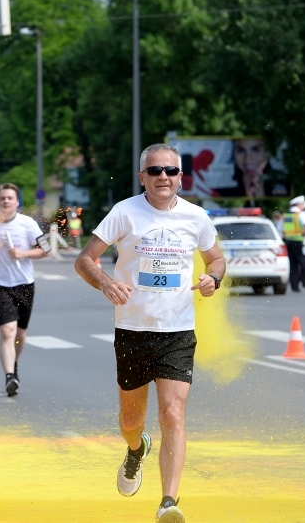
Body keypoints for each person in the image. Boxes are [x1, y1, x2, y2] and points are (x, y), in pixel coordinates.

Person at [75, 143, 225, 523]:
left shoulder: (196, 217)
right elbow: (84, 259)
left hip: (177, 331)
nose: (163, 177)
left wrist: (213, 279)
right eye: (155, 171)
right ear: (142, 177)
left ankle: (168, 502)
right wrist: (106, 284)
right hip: (132, 330)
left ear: (180, 177)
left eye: (171, 171)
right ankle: (135, 449)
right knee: (131, 421)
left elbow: (217, 259)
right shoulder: (124, 212)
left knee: (173, 413)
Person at [0, 184, 45, 397]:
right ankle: (9, 376)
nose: (6, 201)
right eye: (2, 198)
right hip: (0, 284)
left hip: (24, 284)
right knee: (7, 331)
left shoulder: (27, 224)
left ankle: (14, 362)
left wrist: (23, 253)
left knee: (20, 333)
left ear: (17, 201)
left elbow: (46, 249)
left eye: (10, 198)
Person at [215, 136, 290, 198]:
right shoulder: (223, 187)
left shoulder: (283, 182)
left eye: (256, 149)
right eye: (241, 150)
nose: (248, 159)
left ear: (267, 152)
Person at [283, 195, 305, 293]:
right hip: (299, 242)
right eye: (302, 204)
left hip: (289, 242)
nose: (303, 206)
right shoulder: (299, 214)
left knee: (293, 265)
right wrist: (304, 233)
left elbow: (281, 229)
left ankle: (295, 287)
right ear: (298, 205)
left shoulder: (286, 215)